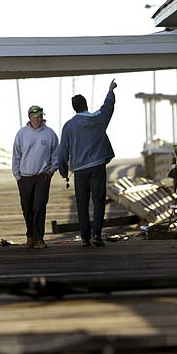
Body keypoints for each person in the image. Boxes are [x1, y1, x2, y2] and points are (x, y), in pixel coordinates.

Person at [58, 79, 117, 247]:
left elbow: (62, 151)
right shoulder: (98, 119)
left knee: (82, 203)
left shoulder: (69, 126)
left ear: (74, 108)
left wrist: (63, 171)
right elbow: (108, 107)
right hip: (98, 166)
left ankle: (84, 238)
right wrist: (110, 90)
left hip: (80, 170)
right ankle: (96, 235)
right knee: (98, 201)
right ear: (85, 105)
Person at [12, 105, 59, 249]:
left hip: (42, 176)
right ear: (30, 118)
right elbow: (16, 155)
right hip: (24, 177)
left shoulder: (50, 134)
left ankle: (39, 238)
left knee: (39, 206)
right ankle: (30, 236)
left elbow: (56, 156)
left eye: (40, 116)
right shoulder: (21, 134)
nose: (38, 119)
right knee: (27, 208)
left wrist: (50, 172)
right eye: (36, 117)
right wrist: (17, 176)